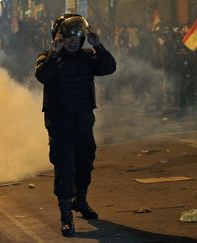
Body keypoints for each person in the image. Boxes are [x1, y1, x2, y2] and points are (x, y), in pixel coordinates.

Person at [35, 14, 116, 237]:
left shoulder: (88, 56)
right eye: (69, 37)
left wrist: (99, 46)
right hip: (59, 123)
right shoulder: (47, 57)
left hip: (83, 120)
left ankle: (80, 201)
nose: (73, 42)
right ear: (59, 37)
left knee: (85, 163)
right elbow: (43, 76)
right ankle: (66, 217)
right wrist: (54, 52)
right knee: (64, 168)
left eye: (77, 38)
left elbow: (109, 68)